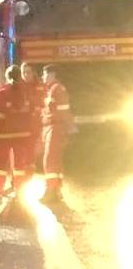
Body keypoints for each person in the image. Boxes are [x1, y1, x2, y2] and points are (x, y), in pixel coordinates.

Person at [0, 65, 37, 208]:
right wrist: (31, 134)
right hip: (23, 136)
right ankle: (19, 192)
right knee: (19, 166)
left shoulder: (2, 93)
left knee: (0, 166)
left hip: (4, 136)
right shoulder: (27, 92)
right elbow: (33, 114)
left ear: (8, 77)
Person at [41, 64, 73, 202]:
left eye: (44, 74)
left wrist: (67, 128)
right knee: (55, 160)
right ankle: (56, 190)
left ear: (52, 75)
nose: (43, 77)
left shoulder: (57, 90)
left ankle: (51, 191)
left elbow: (63, 111)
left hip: (55, 128)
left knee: (50, 160)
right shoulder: (52, 90)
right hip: (53, 128)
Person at [21, 62, 45, 169]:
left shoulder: (40, 86)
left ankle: (34, 166)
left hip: (38, 123)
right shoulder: (18, 87)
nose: (26, 75)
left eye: (29, 72)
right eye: (24, 72)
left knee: (39, 147)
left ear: (33, 73)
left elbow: (45, 101)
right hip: (24, 124)